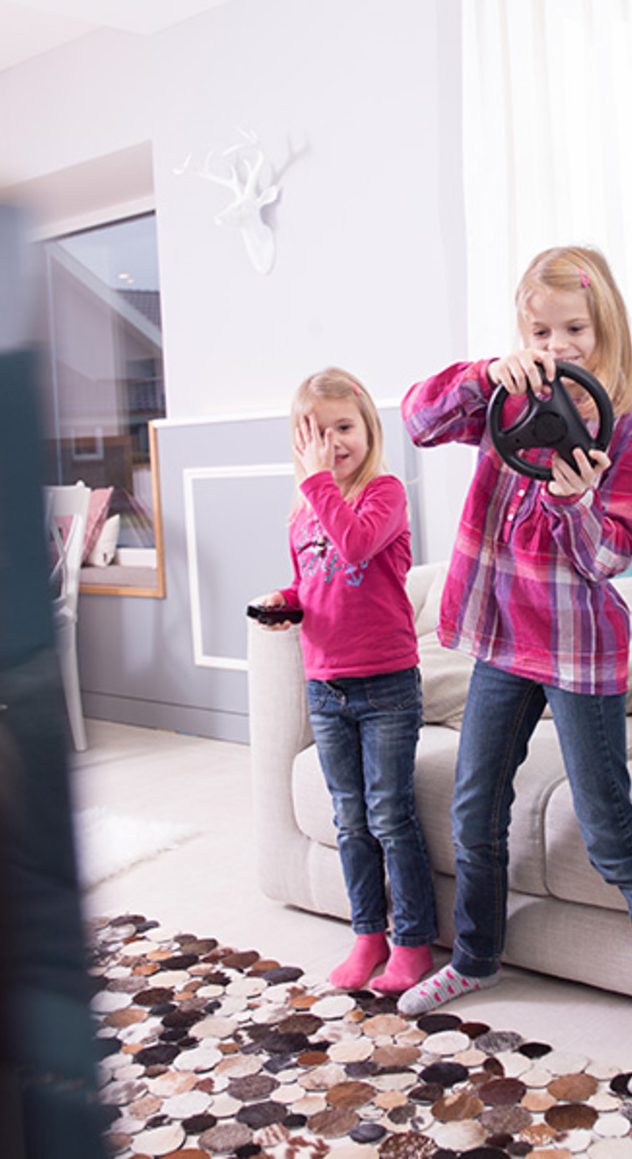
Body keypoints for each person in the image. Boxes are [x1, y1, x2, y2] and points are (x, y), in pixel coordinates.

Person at [398, 245, 632, 1100]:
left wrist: (576, 502)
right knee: (475, 807)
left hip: (578, 648)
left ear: (602, 328)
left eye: (573, 328)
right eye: (540, 328)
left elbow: (612, 553)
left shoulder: (628, 428)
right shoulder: (504, 399)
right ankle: (474, 956)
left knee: (610, 827)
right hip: (502, 638)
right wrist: (480, 374)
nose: (557, 341)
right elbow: (419, 421)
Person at [254, 368, 436, 996]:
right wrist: (288, 600)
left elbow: (356, 547)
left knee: (390, 814)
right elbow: (315, 583)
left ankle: (412, 941)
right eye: (317, 432)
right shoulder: (301, 514)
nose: (332, 442)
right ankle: (368, 934)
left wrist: (318, 483)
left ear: (369, 430)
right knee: (349, 818)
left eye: (344, 428)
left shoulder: (385, 493)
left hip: (385, 683)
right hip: (325, 685)